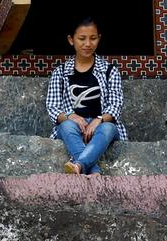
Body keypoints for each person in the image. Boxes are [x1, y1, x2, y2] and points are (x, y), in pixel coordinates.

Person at [45, 18, 127, 175]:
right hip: (74, 127)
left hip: (102, 125)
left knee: (108, 128)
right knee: (66, 127)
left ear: (99, 39)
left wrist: (99, 120)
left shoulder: (110, 71)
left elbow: (116, 105)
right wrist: (71, 116)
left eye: (93, 38)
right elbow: (53, 107)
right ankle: (93, 171)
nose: (87, 44)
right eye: (82, 39)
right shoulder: (61, 72)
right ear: (71, 40)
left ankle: (80, 164)